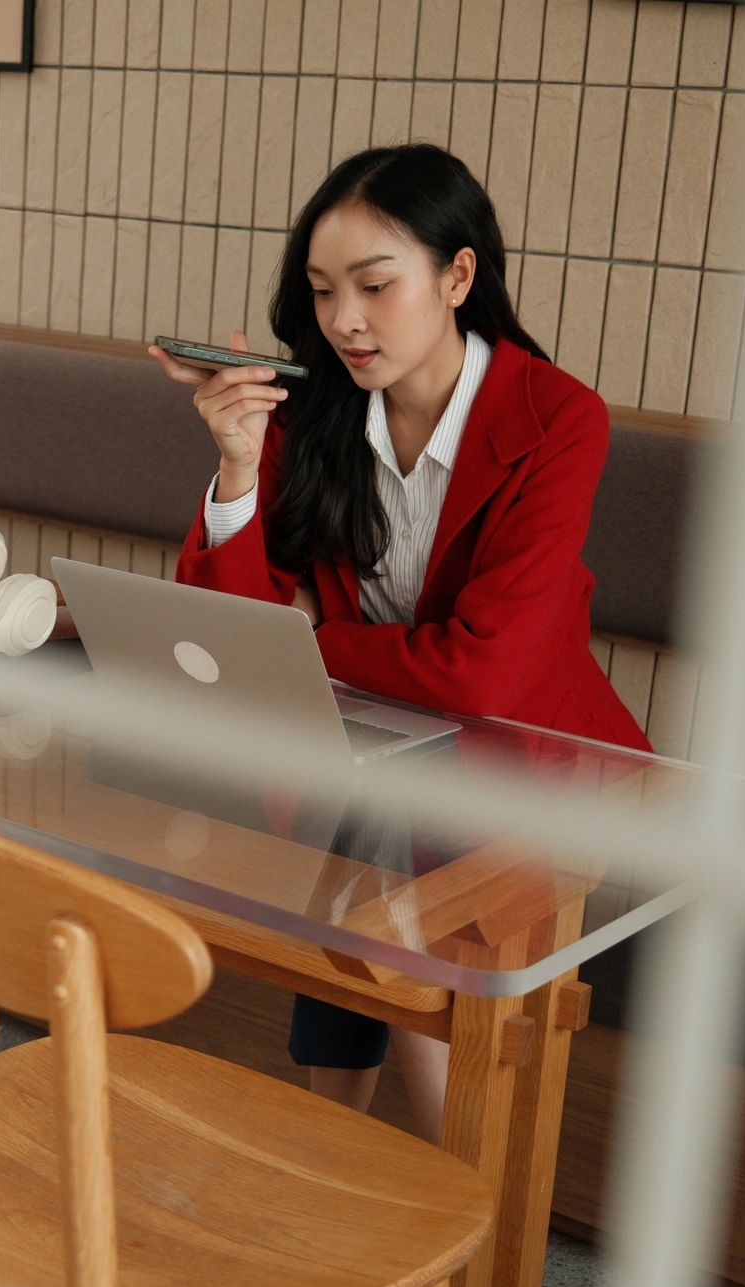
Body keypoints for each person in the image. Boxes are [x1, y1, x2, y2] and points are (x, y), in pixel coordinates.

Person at [148, 143, 649, 1145]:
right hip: (376, 754)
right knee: (361, 870)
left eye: (376, 286)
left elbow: (485, 673)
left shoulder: (558, 419)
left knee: (404, 922)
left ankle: (455, 1203)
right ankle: (331, 1176)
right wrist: (239, 463)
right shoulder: (317, 410)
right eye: (325, 291)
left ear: (458, 276)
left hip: (519, 768)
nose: (344, 320)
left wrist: (314, 649)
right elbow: (231, 633)